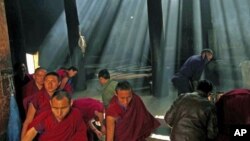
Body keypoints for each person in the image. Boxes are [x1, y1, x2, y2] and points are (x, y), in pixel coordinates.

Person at [21, 90, 88, 141]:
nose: (59, 113)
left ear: (71, 103)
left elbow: (81, 133)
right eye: (55, 108)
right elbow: (30, 134)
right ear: (50, 103)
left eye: (64, 108)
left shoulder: (75, 114)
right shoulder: (45, 116)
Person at [21, 72, 61, 138]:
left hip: (59, 129)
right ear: (44, 83)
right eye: (47, 81)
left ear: (59, 83)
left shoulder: (62, 96)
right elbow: (28, 120)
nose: (49, 84)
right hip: (42, 131)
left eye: (53, 81)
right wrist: (23, 138)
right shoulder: (37, 98)